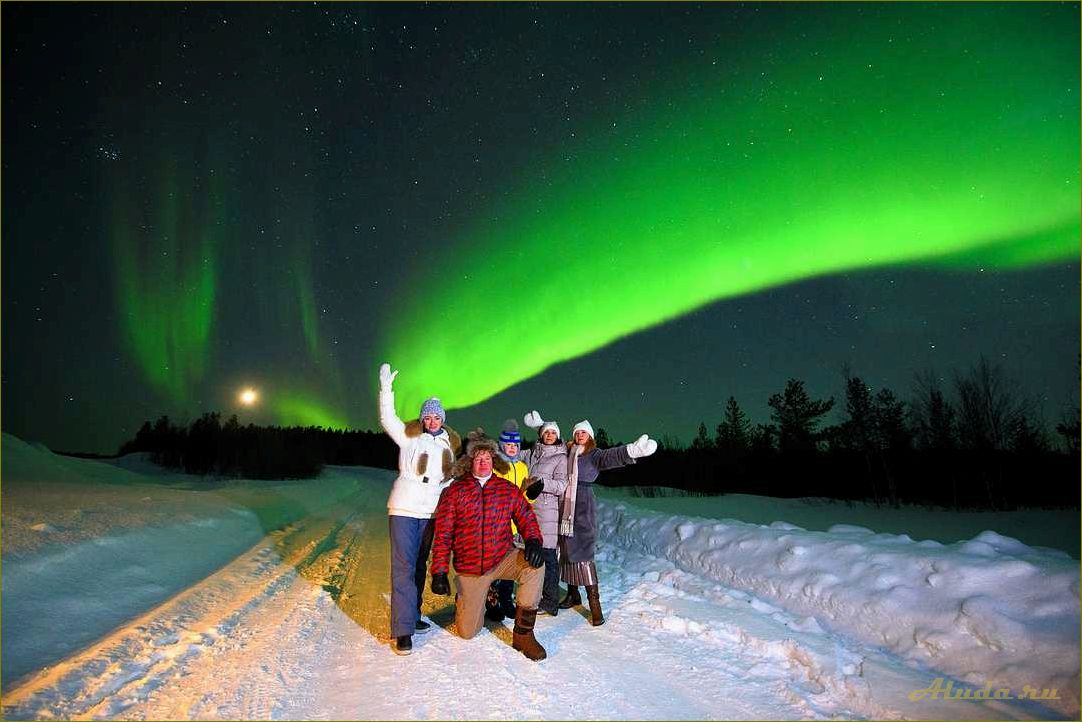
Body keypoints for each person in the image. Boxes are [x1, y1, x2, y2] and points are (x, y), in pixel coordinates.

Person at [429, 430, 549, 661]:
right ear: (469, 462)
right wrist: (440, 572)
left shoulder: (506, 490)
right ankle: (468, 599)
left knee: (534, 566)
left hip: (502, 558)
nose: (483, 463)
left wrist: (533, 540)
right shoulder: (455, 491)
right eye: (478, 458)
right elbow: (443, 535)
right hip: (471, 567)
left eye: (487, 458)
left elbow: (525, 515)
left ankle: (524, 635)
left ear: (493, 460)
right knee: (467, 633)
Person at [535, 414, 656, 626]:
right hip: (563, 505)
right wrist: (541, 427)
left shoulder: (595, 455)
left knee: (582, 553)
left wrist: (632, 451)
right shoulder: (568, 452)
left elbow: (613, 456)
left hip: (582, 507)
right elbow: (550, 442)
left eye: (584, 432)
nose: (580, 435)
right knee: (564, 551)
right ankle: (573, 595)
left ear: (589, 436)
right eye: (577, 432)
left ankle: (595, 605)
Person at [378, 362, 461, 656]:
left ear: (443, 419)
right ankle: (403, 630)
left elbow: (452, 478)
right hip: (404, 506)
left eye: (438, 416)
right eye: (428, 416)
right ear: (423, 418)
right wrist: (386, 388)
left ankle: (412, 615)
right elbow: (388, 418)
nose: (433, 420)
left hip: (432, 511)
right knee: (403, 565)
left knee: (418, 565)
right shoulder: (409, 436)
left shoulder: (450, 446)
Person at [520, 412, 569, 616]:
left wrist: (542, 483)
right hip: (531, 510)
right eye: (546, 432)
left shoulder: (560, 457)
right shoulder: (533, 452)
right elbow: (511, 454)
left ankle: (550, 601)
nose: (549, 435)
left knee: (548, 557)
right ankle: (535, 594)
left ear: (557, 436)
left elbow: (561, 485)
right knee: (531, 555)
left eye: (553, 432)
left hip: (548, 513)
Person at [486, 419, 530, 622]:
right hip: (496, 525)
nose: (512, 448)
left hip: (514, 526)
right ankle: (491, 603)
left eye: (515, 445)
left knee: (510, 565)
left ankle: (506, 600)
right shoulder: (496, 466)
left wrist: (532, 494)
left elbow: (525, 498)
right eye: (508, 445)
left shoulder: (522, 467)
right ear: (502, 446)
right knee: (494, 565)